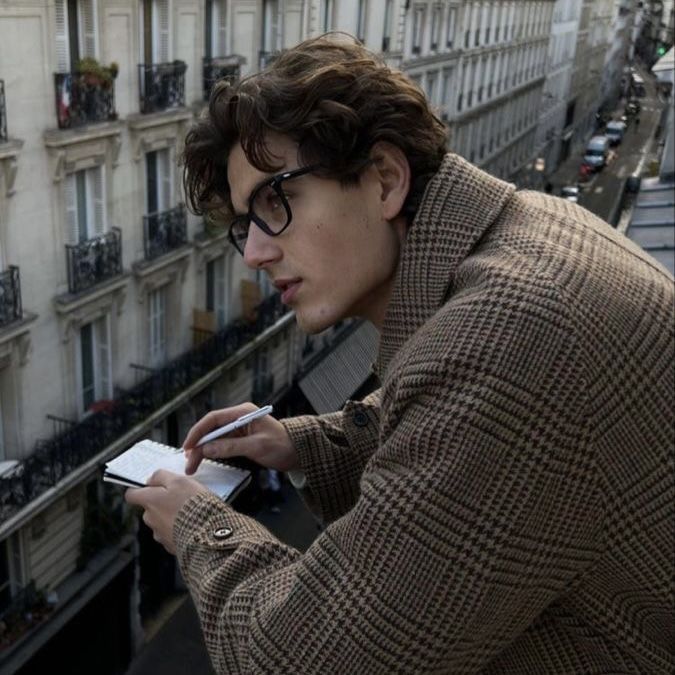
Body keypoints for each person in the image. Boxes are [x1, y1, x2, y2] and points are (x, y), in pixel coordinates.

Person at [125, 34, 674, 673]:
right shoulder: (530, 230)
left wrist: (199, 528)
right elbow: (455, 442)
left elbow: (306, 659)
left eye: (278, 202)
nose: (254, 254)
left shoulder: (505, 335)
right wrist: (299, 444)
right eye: (245, 225)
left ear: (385, 179)